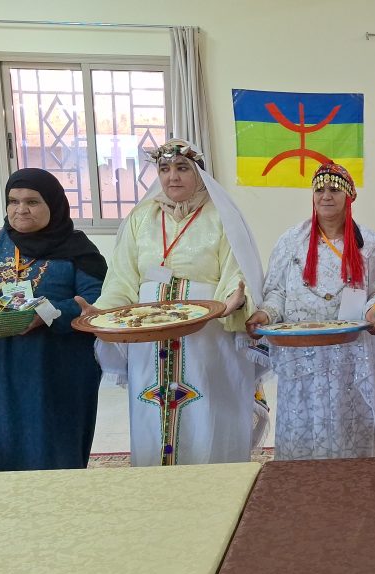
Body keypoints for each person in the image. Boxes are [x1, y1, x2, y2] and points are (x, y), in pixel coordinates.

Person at [80, 139, 267, 466]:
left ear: (199, 173)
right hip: (149, 342)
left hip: (207, 338)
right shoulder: (141, 218)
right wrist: (104, 312)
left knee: (207, 414)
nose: (172, 177)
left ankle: (214, 487)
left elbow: (236, 272)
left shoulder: (222, 217)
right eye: (164, 169)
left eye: (182, 168)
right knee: (151, 415)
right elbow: (123, 278)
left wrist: (233, 302)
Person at [0, 168, 106, 472]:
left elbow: (96, 301)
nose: (21, 209)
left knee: (50, 445)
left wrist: (47, 313)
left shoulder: (79, 251)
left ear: (54, 204)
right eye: (13, 201)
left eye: (32, 202)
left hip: (50, 367)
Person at [245, 163, 375, 459]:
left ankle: (351, 482)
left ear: (349, 196)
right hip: (302, 354)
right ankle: (302, 484)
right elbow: (277, 292)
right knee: (303, 427)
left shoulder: (372, 244)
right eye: (319, 190)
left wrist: (373, 311)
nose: (326, 196)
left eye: (335, 190)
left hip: (351, 354)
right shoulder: (291, 241)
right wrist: (266, 314)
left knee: (349, 425)